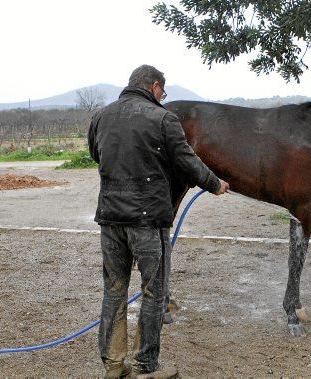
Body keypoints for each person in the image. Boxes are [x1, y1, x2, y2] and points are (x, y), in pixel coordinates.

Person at [88, 64, 229, 378]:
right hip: (148, 222)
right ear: (153, 86)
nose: (163, 98)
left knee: (114, 291)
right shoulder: (164, 119)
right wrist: (214, 183)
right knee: (154, 293)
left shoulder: (101, 116)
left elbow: (97, 155)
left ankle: (113, 365)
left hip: (110, 220)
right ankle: (145, 366)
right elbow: (186, 161)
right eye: (162, 92)